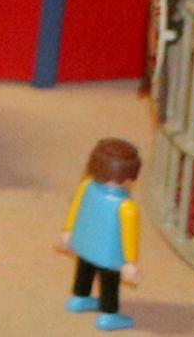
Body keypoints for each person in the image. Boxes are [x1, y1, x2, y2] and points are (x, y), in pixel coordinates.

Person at [63, 135, 142, 329]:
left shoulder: (86, 187)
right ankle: (109, 314)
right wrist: (130, 262)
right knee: (109, 284)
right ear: (130, 178)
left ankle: (79, 298)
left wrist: (68, 231)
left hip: (84, 244)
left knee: (84, 270)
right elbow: (129, 237)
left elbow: (75, 209)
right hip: (109, 256)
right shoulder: (126, 206)